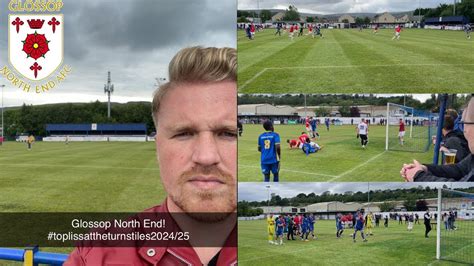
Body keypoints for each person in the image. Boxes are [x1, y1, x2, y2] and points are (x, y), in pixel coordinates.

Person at [65, 46, 237, 265]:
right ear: (158, 146)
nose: (205, 156)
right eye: (183, 133)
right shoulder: (95, 255)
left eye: (229, 134)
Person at [400, 98, 474, 182]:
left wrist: (418, 177)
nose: (464, 131)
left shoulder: (453, 140)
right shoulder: (471, 157)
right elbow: (459, 169)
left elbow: (459, 190)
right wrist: (425, 169)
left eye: (464, 124)